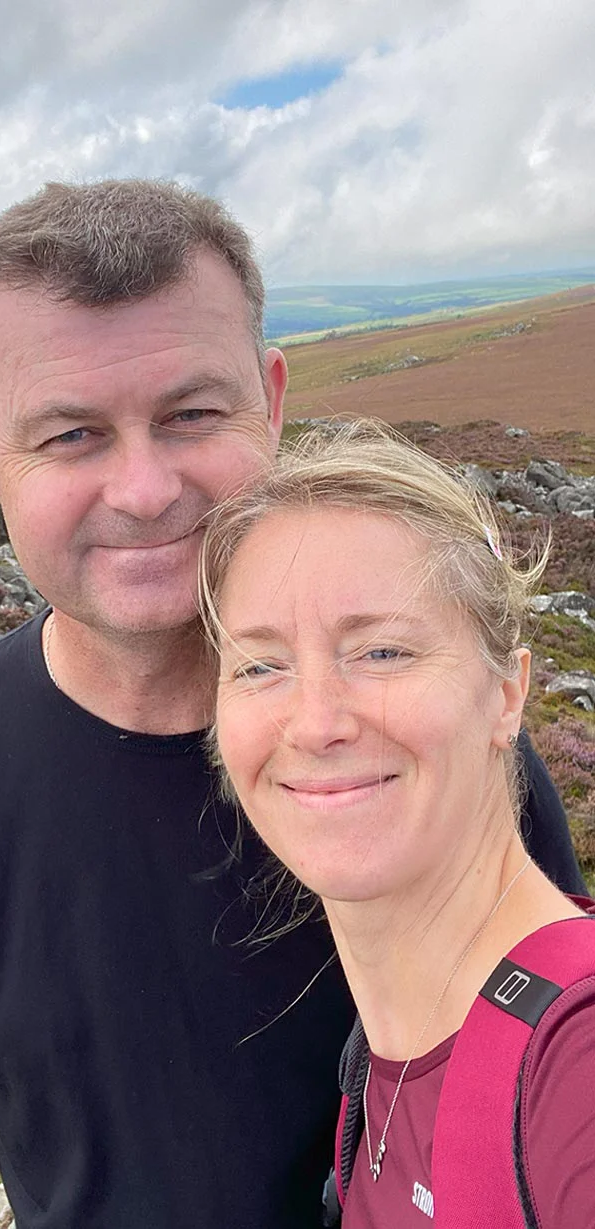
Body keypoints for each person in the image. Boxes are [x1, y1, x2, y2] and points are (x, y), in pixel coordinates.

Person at [0, 182, 585, 1229]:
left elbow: (550, 1054)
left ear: (271, 401)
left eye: (191, 415)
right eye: (71, 434)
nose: (145, 490)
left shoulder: (415, 748)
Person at [202, 420, 595, 1228]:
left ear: (507, 693)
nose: (316, 723)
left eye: (382, 651)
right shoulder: (382, 1062)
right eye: (261, 664)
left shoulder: (574, 1063)